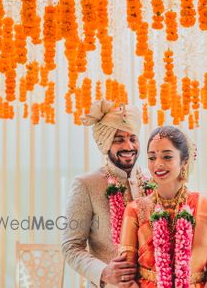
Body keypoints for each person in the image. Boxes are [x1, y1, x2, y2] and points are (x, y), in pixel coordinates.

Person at [119, 125, 207, 287]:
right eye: (152, 157)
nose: (158, 164)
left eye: (167, 157)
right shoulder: (135, 209)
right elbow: (125, 276)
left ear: (184, 161)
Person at [62, 100, 150, 288]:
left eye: (133, 138)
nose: (129, 146)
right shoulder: (86, 184)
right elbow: (71, 246)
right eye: (119, 139)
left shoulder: (153, 181)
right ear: (106, 144)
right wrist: (103, 272)